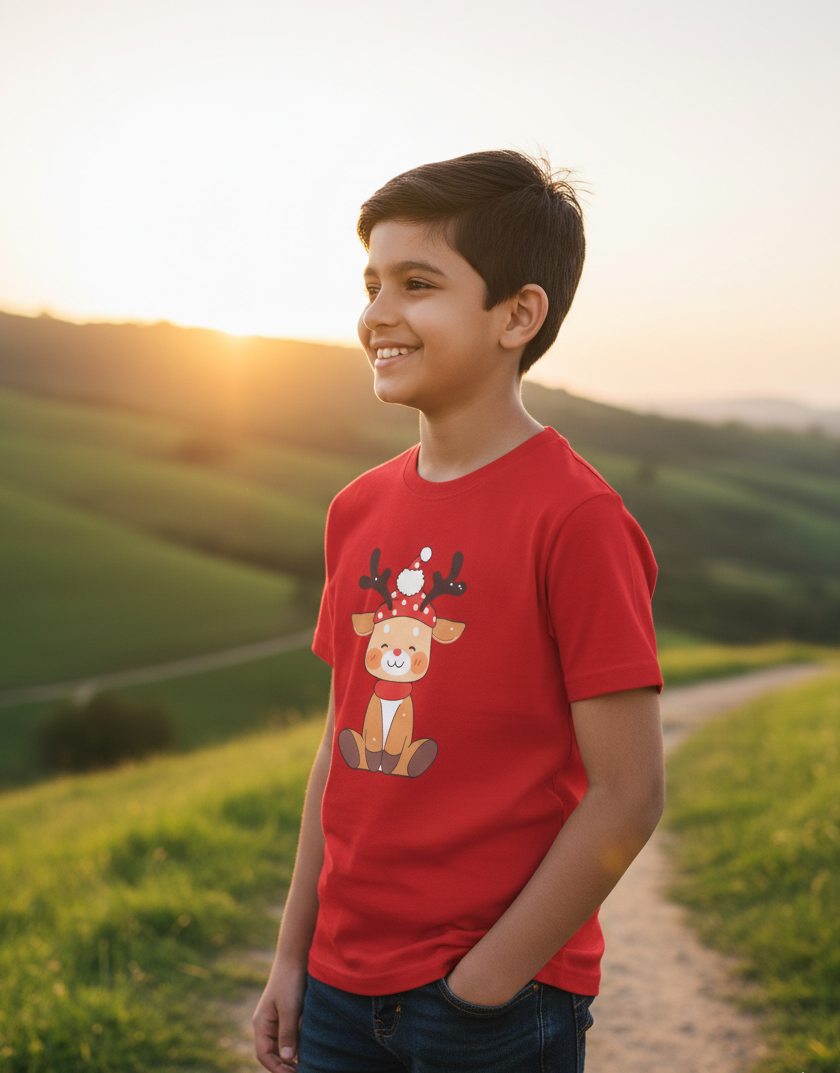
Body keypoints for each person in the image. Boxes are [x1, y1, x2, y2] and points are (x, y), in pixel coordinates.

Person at [253, 150, 665, 1073]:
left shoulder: (577, 518)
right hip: (336, 986)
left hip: (491, 1005)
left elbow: (628, 793)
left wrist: (484, 983)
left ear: (517, 314)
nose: (377, 314)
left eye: (418, 283)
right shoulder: (356, 508)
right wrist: (290, 954)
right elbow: (340, 747)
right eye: (371, 282)